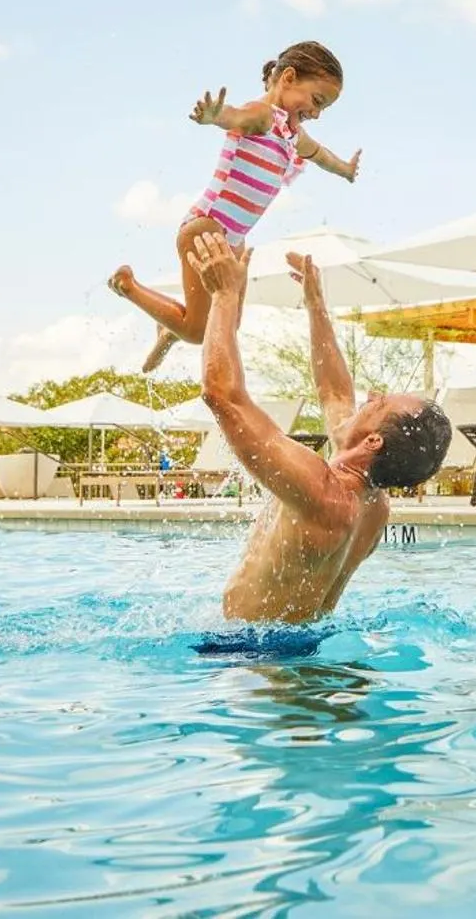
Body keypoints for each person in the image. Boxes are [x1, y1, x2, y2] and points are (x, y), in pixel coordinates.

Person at [188, 231, 451, 625]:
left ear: (374, 440)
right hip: (302, 650)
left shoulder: (322, 492)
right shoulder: (372, 505)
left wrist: (224, 296)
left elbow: (222, 395)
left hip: (259, 661)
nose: (371, 395)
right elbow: (334, 393)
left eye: (378, 403)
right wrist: (315, 305)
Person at [108, 41, 362, 372]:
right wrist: (215, 116)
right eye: (316, 101)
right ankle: (128, 286)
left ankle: (170, 329)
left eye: (323, 109)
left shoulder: (291, 134)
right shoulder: (264, 116)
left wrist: (344, 169)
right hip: (207, 228)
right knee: (200, 332)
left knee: (226, 325)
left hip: (233, 240)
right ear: (288, 77)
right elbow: (236, 117)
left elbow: (321, 155)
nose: (316, 113)